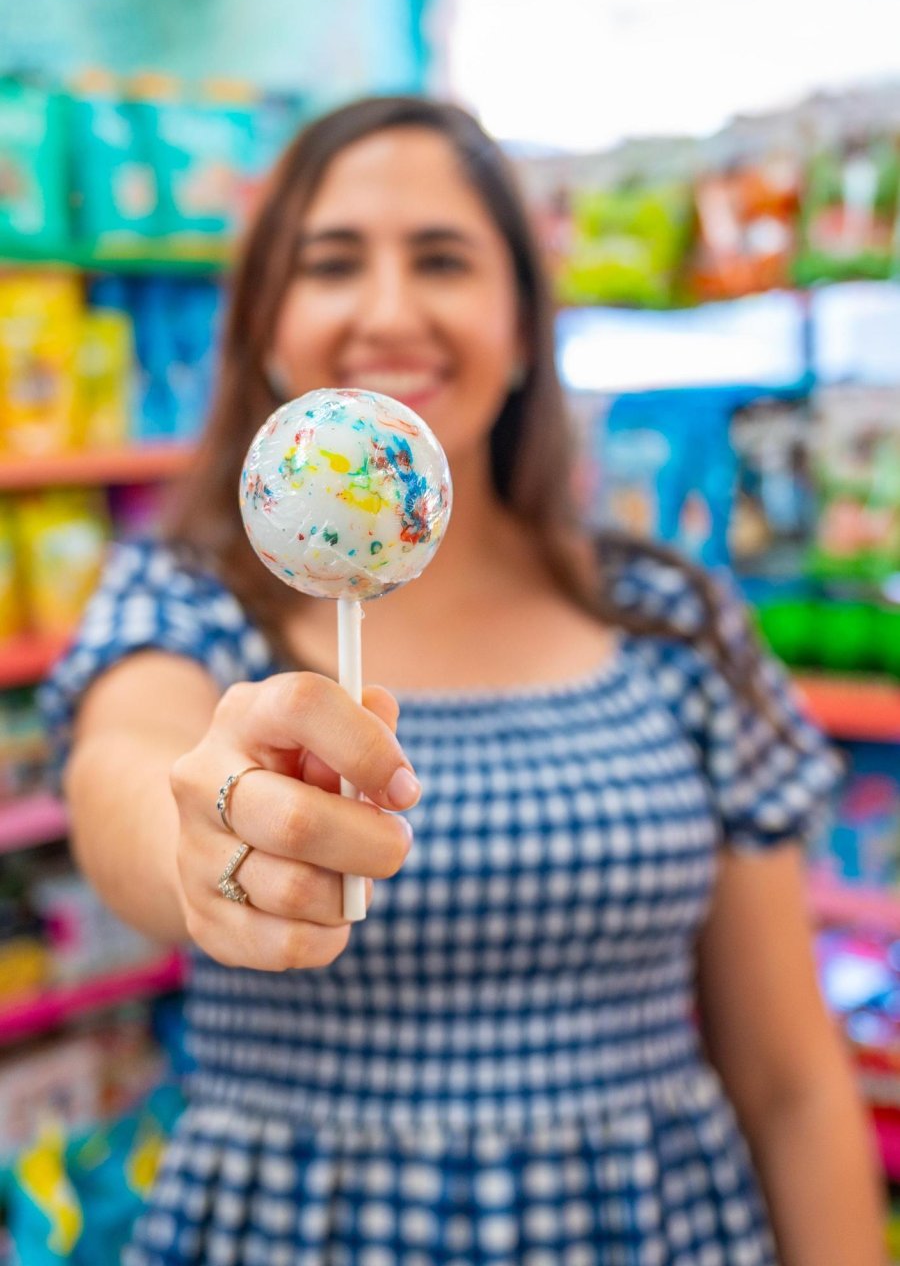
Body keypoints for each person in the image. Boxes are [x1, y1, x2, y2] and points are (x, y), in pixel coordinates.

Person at [43, 96, 884, 1266]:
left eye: (442, 259)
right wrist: (200, 835)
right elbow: (127, 768)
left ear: (525, 321)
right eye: (332, 264)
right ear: (271, 327)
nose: (390, 310)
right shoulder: (189, 599)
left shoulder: (672, 621)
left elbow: (790, 1078)